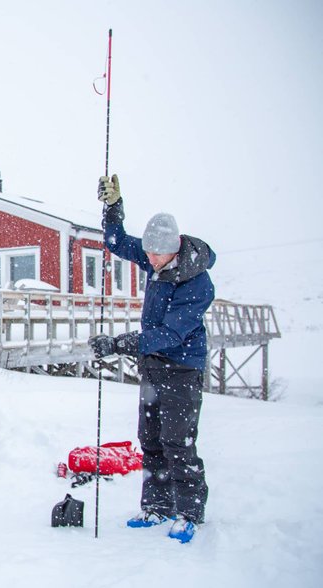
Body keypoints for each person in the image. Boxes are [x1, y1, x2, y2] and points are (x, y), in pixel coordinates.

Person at [89, 174, 215, 543]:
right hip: (154, 367)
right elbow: (116, 243)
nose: (150, 259)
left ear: (174, 249)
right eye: (148, 253)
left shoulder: (196, 281)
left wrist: (118, 343)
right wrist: (113, 208)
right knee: (151, 440)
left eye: (157, 253)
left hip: (182, 368)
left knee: (179, 442)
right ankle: (157, 505)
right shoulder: (155, 262)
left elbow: (172, 334)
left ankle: (189, 511)